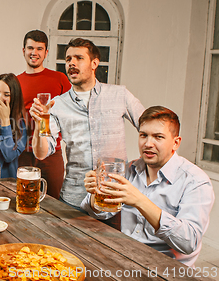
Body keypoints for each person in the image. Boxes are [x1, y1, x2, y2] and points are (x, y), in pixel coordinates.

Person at [31, 38, 144, 228]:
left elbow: (148, 126)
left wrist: (138, 169)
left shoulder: (120, 95)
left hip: (113, 199)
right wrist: (41, 122)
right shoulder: (58, 104)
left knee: (112, 256)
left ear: (94, 63)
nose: (71, 63)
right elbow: (41, 152)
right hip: (74, 200)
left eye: (78, 58)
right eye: (68, 59)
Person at [81, 106, 215, 267]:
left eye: (158, 137)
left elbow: (189, 242)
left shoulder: (195, 181)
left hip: (168, 270)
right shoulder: (129, 169)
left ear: (176, 143)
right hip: (125, 259)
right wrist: (96, 193)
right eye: (143, 135)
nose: (148, 143)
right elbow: (101, 214)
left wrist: (140, 201)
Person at [17, 30, 71, 199]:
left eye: (39, 49)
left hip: (51, 152)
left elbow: (71, 110)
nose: (34, 53)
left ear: (46, 52)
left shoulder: (59, 78)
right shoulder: (15, 81)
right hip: (22, 153)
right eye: (30, 48)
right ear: (23, 50)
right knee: (23, 199)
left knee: (54, 202)